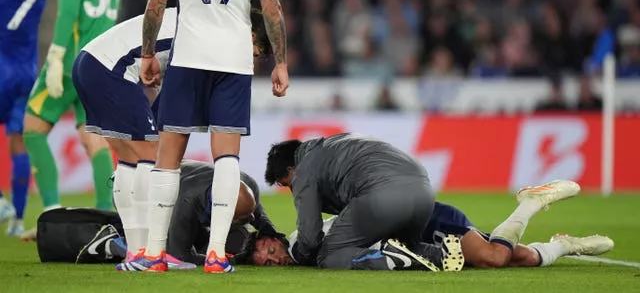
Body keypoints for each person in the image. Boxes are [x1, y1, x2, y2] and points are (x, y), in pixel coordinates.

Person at [131, 0, 289, 273]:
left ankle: (153, 253)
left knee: (168, 155)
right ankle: (217, 254)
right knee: (226, 156)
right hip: (234, 59)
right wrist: (281, 62)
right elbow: (271, 8)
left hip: (188, 55)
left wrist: (149, 53)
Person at [71, 6, 271, 265]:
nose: (252, 57)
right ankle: (151, 252)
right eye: (255, 52)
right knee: (153, 157)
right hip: (113, 69)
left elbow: (170, 92)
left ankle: (136, 251)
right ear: (252, 35)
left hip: (91, 62)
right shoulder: (212, 31)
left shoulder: (202, 16)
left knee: (129, 160)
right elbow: (180, 90)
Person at [21, 0, 122, 239]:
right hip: (100, 66)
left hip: (70, 64)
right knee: (94, 140)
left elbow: (67, 13)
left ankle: (50, 214)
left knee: (33, 130)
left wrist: (55, 58)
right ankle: (105, 214)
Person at [263, 133, 464, 271]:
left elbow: (310, 237)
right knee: (403, 245)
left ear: (290, 170)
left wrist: (300, 255)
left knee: (329, 255)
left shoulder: (303, 170)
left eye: (286, 184)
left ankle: (395, 259)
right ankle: (444, 254)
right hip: (424, 193)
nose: (292, 190)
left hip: (382, 196)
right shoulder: (336, 143)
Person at [279, 189, 613, 269]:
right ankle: (563, 245)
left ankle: (529, 203)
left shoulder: (304, 242)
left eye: (269, 252)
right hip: (418, 241)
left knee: (494, 257)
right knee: (519, 257)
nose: (273, 259)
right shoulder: (310, 249)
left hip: (425, 225)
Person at [71, 160, 285, 268]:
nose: (250, 221)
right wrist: (226, 261)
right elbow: (180, 254)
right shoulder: (187, 203)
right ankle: (114, 243)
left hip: (163, 178)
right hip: (137, 193)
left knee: (223, 238)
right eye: (241, 219)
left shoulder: (243, 185)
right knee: (168, 257)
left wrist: (268, 228)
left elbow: (254, 209)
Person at [0, 0, 57, 236]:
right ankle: (18, 220)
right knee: (17, 144)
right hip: (27, 73)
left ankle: (1, 203)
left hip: (1, 69)